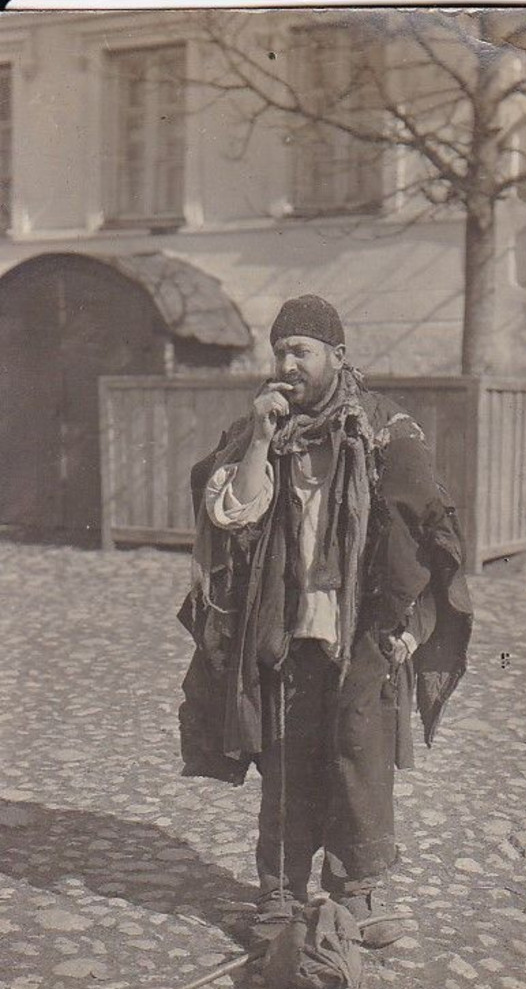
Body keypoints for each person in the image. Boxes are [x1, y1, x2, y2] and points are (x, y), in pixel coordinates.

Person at [177, 294, 474, 945]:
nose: (287, 363)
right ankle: (281, 891)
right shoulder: (260, 428)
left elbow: (428, 525)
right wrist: (258, 439)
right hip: (285, 626)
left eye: (301, 350)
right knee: (287, 760)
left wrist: (412, 623)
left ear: (338, 356)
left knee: (358, 755)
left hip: (364, 626)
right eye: (280, 350)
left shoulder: (382, 429)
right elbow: (232, 514)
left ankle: (360, 891)